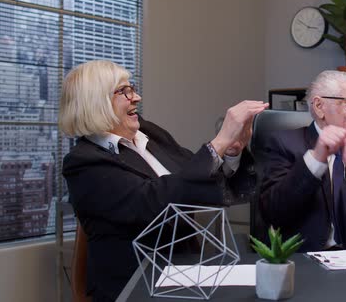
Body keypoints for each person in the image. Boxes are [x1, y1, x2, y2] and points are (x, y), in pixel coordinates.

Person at [59, 60, 267, 301]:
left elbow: (196, 177)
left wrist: (231, 151)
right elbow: (153, 201)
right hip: (135, 286)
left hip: (189, 273)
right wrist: (217, 143)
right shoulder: (83, 163)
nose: (136, 97)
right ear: (95, 102)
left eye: (132, 88)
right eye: (124, 91)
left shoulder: (147, 133)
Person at [259, 70, 346, 252]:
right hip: (305, 261)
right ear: (320, 106)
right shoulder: (283, 143)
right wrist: (316, 159)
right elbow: (274, 213)